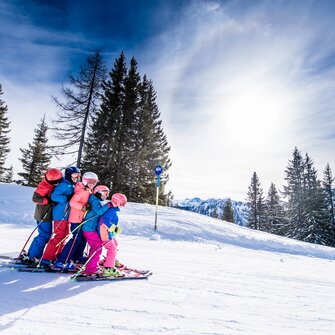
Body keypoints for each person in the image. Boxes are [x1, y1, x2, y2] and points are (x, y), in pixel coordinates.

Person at [54, 171, 98, 271]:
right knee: (76, 239)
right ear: (85, 180)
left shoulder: (87, 190)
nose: (93, 184)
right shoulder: (81, 191)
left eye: (94, 182)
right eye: (91, 181)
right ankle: (62, 260)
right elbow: (72, 202)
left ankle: (77, 256)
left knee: (82, 238)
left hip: (80, 218)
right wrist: (83, 207)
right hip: (76, 218)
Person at [39, 166, 81, 267]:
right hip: (60, 214)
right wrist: (66, 198)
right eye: (75, 174)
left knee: (64, 235)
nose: (77, 177)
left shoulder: (71, 185)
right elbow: (54, 196)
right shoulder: (64, 184)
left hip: (66, 215)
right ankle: (46, 258)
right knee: (59, 235)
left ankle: (57, 254)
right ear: (68, 175)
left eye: (78, 174)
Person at [21, 168, 63, 263]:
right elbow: (35, 198)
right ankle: (34, 256)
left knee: (44, 234)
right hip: (43, 214)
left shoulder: (52, 185)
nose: (57, 183)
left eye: (58, 181)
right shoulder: (44, 186)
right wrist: (47, 201)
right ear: (49, 180)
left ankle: (31, 253)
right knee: (45, 235)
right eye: (55, 182)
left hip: (47, 213)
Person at [82, 185, 112, 275]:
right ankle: (91, 269)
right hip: (89, 228)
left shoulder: (95, 200)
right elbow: (98, 211)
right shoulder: (94, 200)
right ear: (99, 192)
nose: (106, 196)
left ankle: (91, 266)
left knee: (96, 246)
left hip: (90, 227)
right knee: (97, 247)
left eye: (107, 194)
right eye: (105, 193)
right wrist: (108, 205)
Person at [98, 193, 127, 277]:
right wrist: (114, 229)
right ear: (116, 201)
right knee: (112, 248)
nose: (123, 205)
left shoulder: (113, 209)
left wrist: (113, 230)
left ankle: (109, 260)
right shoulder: (111, 210)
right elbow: (105, 221)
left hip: (107, 232)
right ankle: (108, 268)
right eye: (122, 203)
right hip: (104, 232)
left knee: (115, 244)